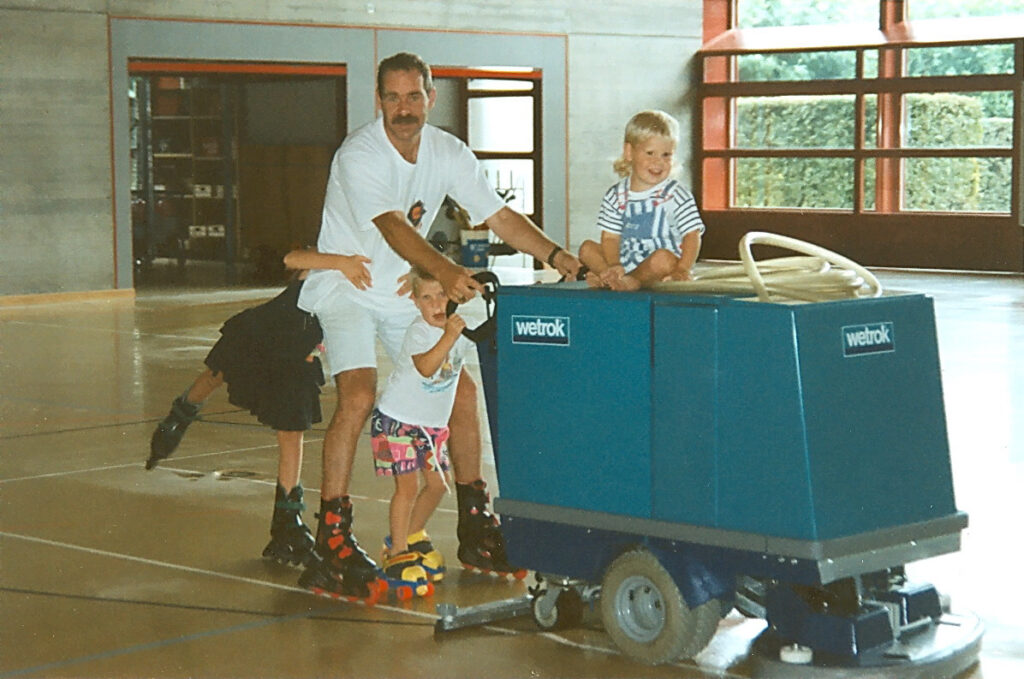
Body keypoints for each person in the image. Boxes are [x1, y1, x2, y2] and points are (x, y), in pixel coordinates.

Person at [295, 51, 581, 599]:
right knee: (357, 395)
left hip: (404, 288)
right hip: (349, 286)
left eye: (414, 96)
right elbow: (392, 228)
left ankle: (474, 524)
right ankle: (331, 534)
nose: (404, 109)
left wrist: (557, 256)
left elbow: (497, 215)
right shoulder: (360, 154)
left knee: (461, 391)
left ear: (431, 96)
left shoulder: (447, 151)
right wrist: (447, 272)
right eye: (393, 97)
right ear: (378, 101)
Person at [146, 250, 372, 572]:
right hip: (263, 332)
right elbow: (292, 260)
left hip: (294, 355)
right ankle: (179, 416)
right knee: (215, 375)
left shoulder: (369, 281)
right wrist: (342, 262)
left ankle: (287, 521)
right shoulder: (328, 259)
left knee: (292, 434)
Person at [370, 267, 474, 598]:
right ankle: (397, 553)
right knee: (407, 488)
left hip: (431, 427)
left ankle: (411, 535)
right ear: (415, 302)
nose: (435, 303)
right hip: (399, 421)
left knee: (437, 485)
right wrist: (449, 337)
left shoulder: (457, 328)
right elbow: (427, 367)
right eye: (426, 297)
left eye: (442, 294)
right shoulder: (420, 332)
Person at [579, 110, 705, 291]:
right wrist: (614, 264)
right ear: (629, 152)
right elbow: (610, 238)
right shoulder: (615, 195)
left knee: (663, 258)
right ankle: (612, 277)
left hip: (658, 267)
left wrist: (683, 269)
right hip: (625, 260)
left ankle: (632, 281)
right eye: (650, 153)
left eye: (666, 155)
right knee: (587, 249)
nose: (658, 162)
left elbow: (692, 235)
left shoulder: (676, 194)